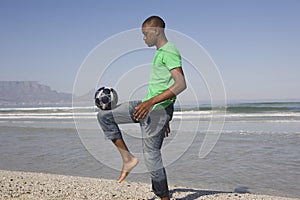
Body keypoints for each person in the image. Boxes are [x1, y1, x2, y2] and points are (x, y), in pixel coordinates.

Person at [97, 15, 186, 200]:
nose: (144, 37)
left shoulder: (169, 51)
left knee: (152, 156)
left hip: (154, 108)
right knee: (105, 116)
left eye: (145, 34)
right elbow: (166, 85)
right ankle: (128, 159)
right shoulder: (160, 52)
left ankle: (164, 197)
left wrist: (158, 108)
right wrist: (159, 110)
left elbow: (180, 84)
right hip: (148, 106)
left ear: (156, 31)